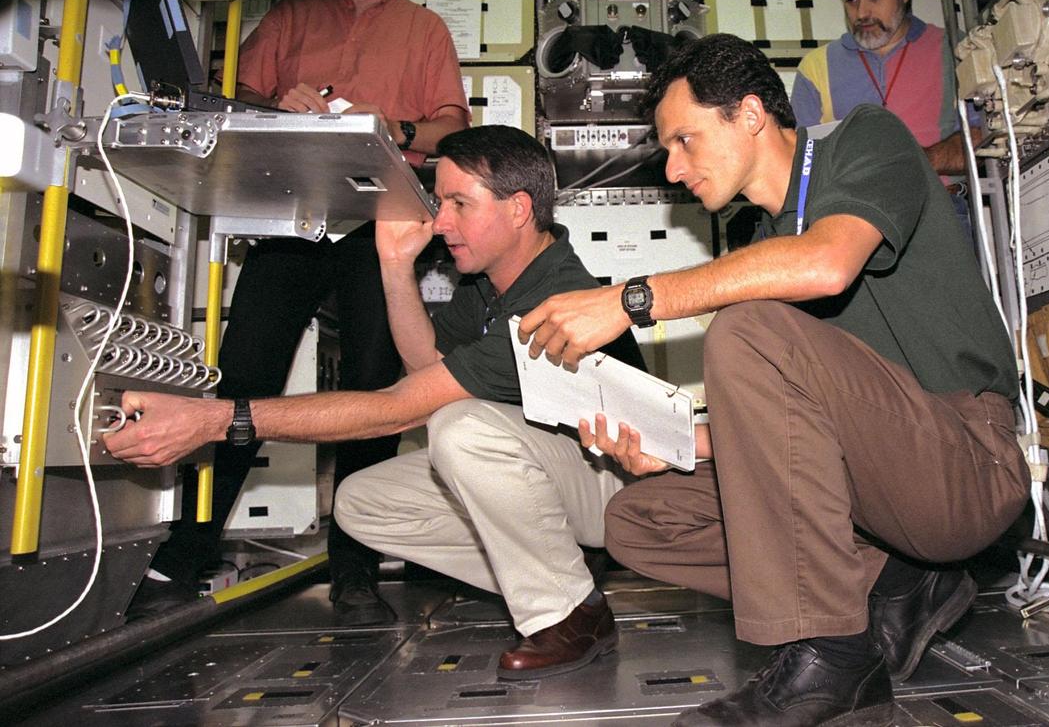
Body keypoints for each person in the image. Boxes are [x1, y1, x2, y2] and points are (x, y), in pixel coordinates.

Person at [518, 35, 1030, 726]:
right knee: (638, 520)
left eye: (684, 140)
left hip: (967, 460)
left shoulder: (864, 140)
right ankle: (894, 583)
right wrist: (672, 442)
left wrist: (628, 298)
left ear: (751, 114)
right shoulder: (761, 246)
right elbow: (789, 426)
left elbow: (826, 265)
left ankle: (835, 654)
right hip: (874, 483)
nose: (673, 170)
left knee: (747, 328)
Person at [105, 125, 645, 679]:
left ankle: (566, 615)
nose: (441, 223)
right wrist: (393, 263)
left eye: (460, 203)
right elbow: (425, 365)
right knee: (362, 502)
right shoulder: (491, 280)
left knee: (460, 427)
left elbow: (405, 405)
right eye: (440, 203)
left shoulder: (550, 297)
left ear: (519, 209)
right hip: (564, 474)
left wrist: (219, 419)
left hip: (621, 487)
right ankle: (568, 580)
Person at [130, 0, 470, 626]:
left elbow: (453, 127)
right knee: (246, 367)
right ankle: (187, 552)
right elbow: (229, 102)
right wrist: (273, 106)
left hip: (379, 222)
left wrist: (397, 129)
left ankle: (355, 567)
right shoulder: (292, 17)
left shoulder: (424, 33)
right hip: (291, 214)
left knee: (374, 387)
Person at [791, 0, 982, 236]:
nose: (862, 13)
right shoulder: (815, 68)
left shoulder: (953, 49)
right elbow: (801, 167)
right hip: (850, 226)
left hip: (939, 213)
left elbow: (984, 136)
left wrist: (919, 160)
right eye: (851, 0)